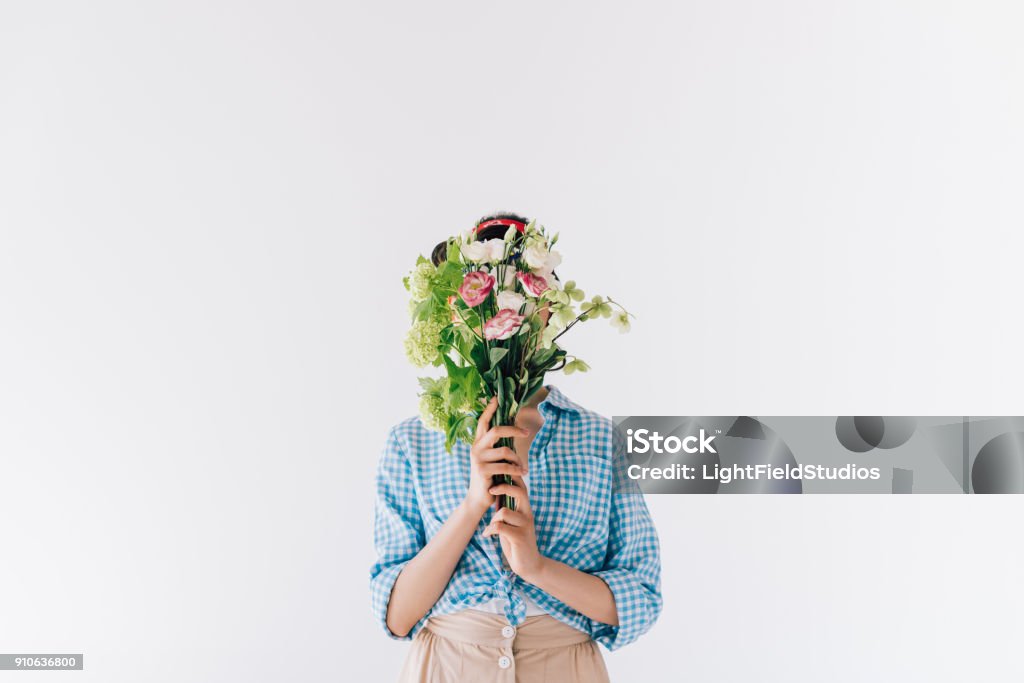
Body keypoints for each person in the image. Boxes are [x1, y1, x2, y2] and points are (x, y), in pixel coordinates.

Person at [371, 213, 662, 682]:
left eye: (527, 294)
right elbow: (396, 616)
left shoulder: (603, 442)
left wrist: (536, 567)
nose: (510, 314)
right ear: (459, 312)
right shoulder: (413, 441)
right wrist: (471, 507)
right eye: (488, 296)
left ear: (549, 308)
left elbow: (641, 598)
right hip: (446, 667)